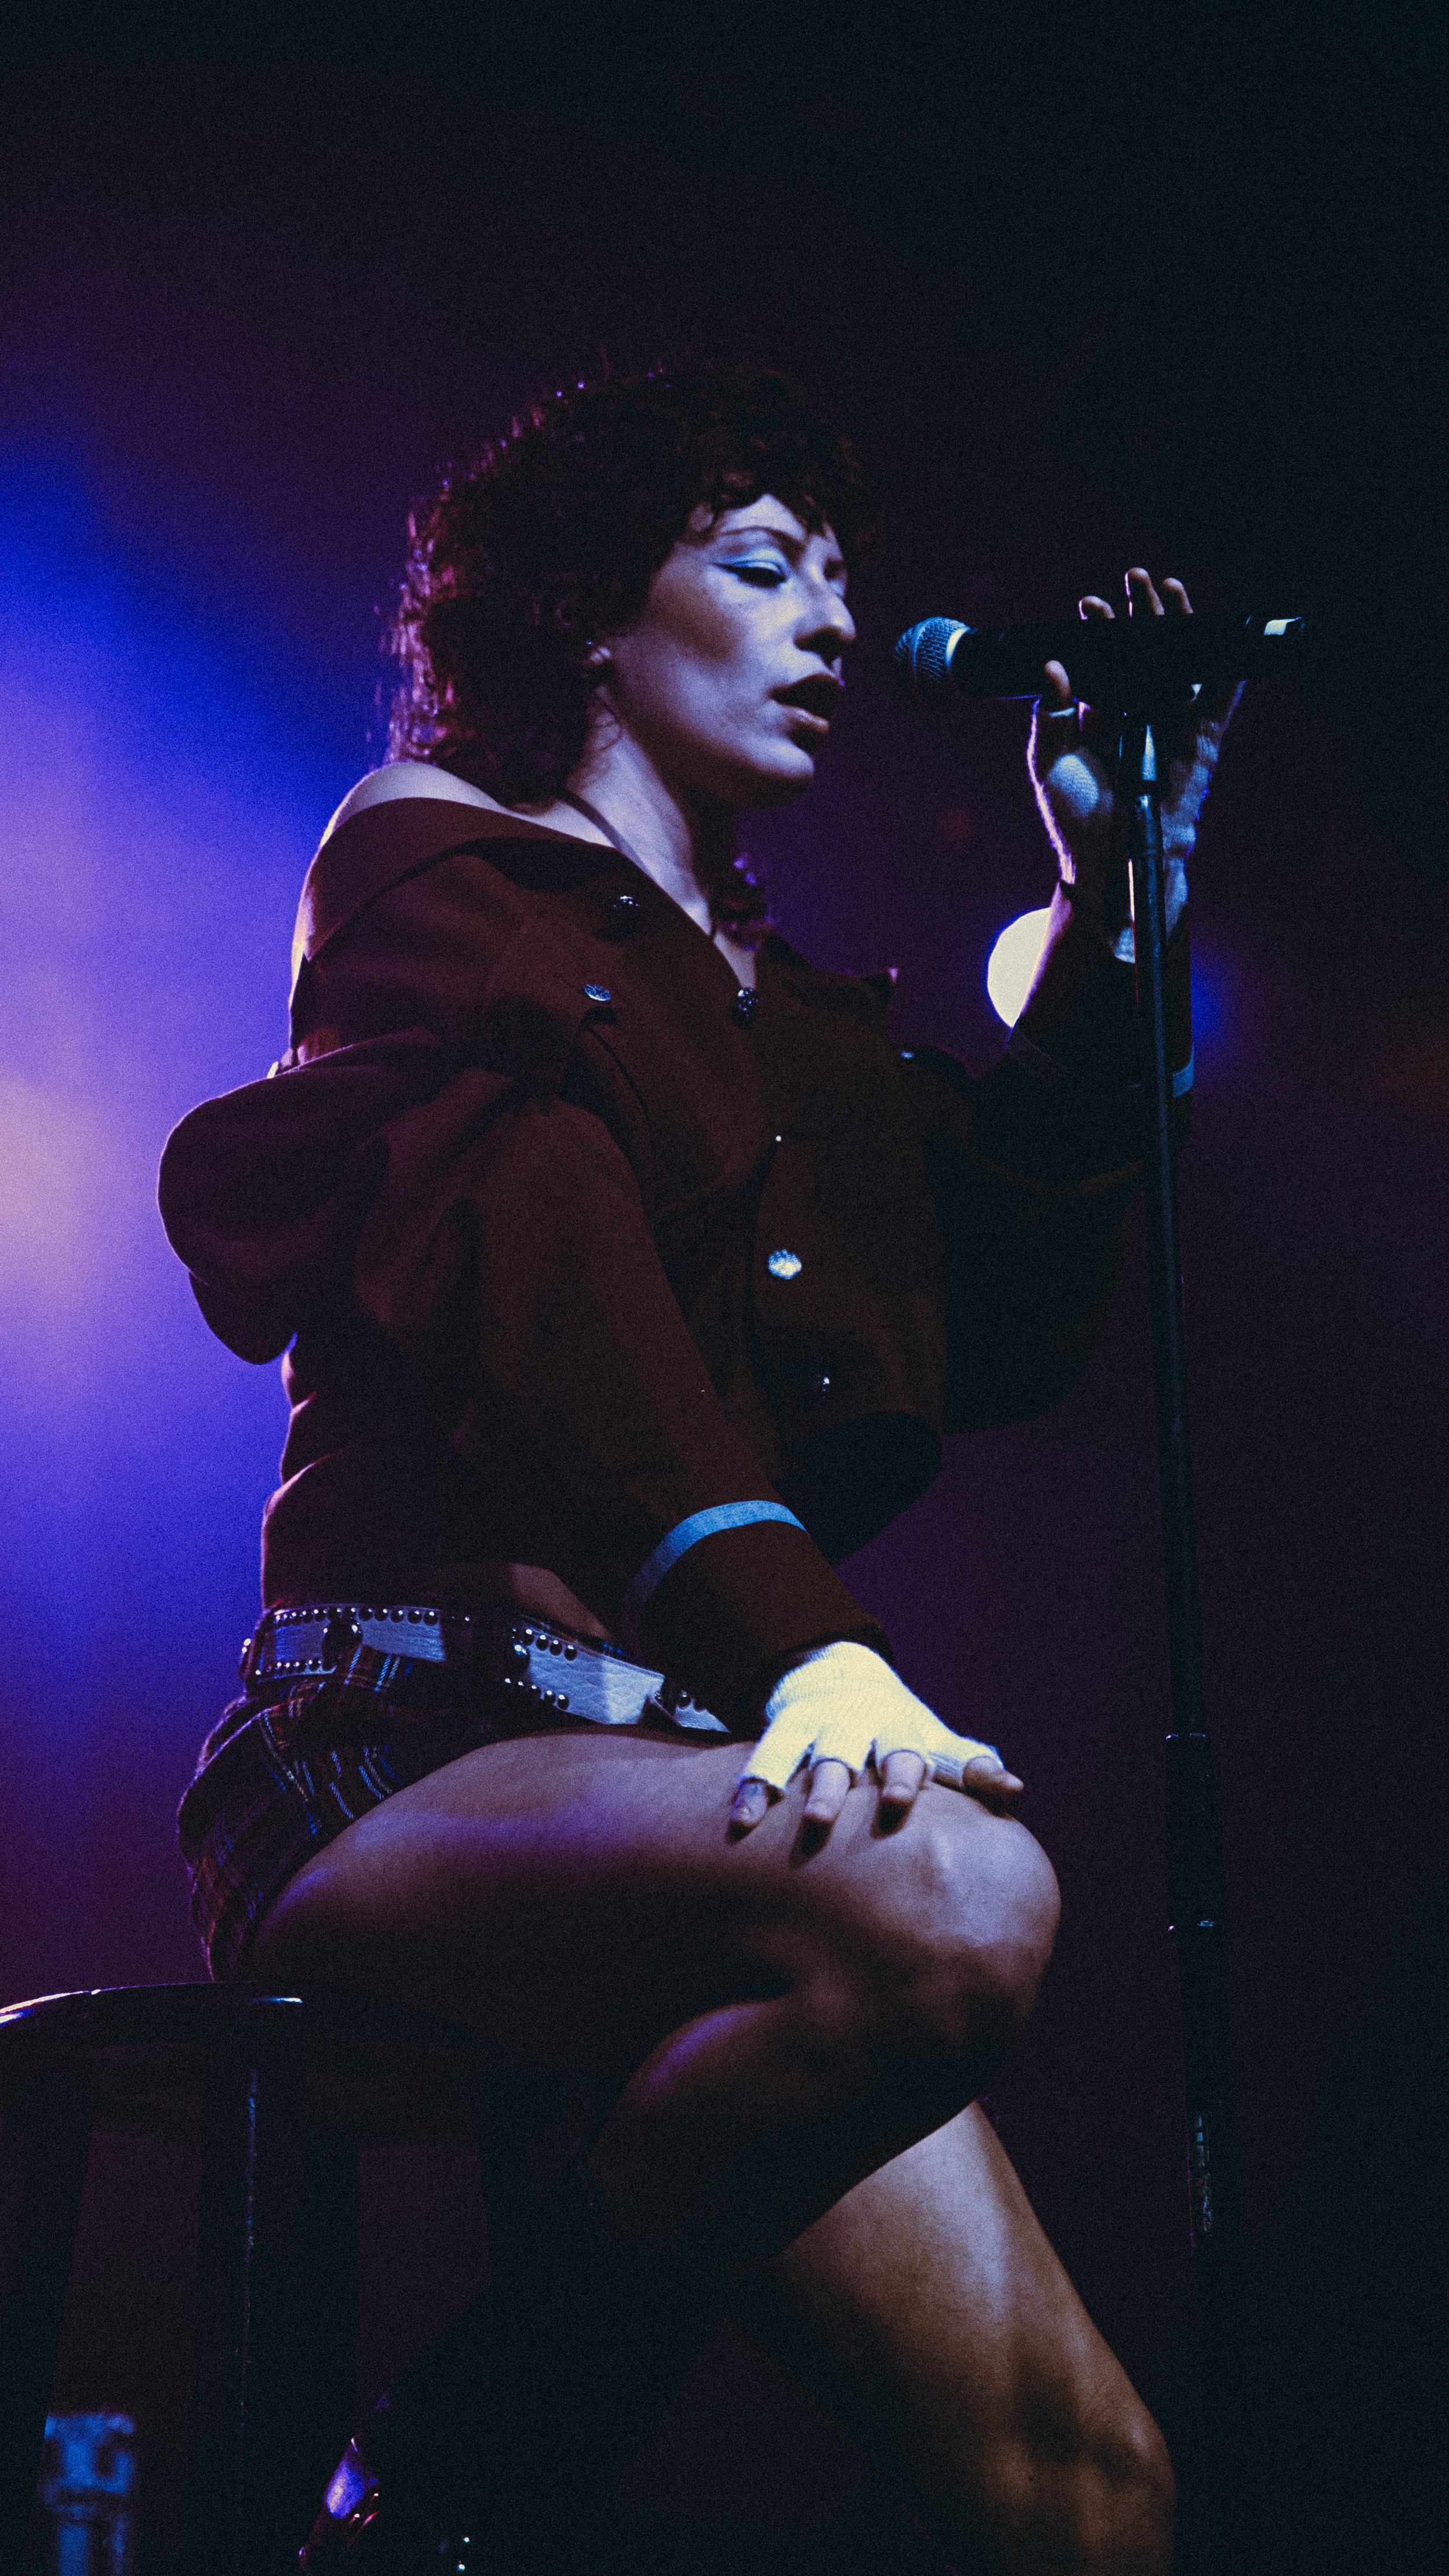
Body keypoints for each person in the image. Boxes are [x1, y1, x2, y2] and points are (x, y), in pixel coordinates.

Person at [159, 366, 1237, 2575]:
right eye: (759, 568)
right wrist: (800, 1643)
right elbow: (542, 1276)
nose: (831, 626)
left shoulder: (794, 1022)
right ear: (585, 610)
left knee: (1094, 2500)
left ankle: (445, 2489)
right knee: (957, 1894)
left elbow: (1002, 1315)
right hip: (400, 1750)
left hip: (685, 1788)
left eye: (842, 585)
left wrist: (1117, 893)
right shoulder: (441, 871)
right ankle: (438, 2492)